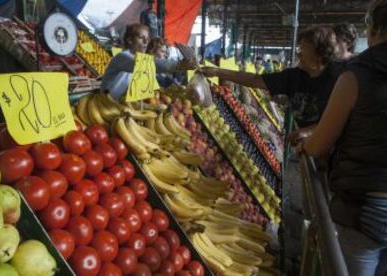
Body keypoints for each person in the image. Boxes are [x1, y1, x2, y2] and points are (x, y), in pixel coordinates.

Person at [296, 1, 387, 274]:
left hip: (366, 209)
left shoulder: (357, 76)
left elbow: (320, 142)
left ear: (373, 29)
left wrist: (305, 144)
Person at [199, 26, 343, 128]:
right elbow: (254, 80)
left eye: (304, 48)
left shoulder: (338, 80)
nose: (299, 53)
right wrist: (217, 71)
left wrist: (308, 132)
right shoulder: (293, 76)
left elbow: (340, 122)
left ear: (318, 54)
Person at [100, 24, 195, 101]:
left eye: (147, 38)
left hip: (122, 106)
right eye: (141, 37)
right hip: (106, 105)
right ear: (129, 40)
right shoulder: (122, 57)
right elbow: (148, 64)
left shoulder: (140, 58)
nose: (146, 41)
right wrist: (178, 65)